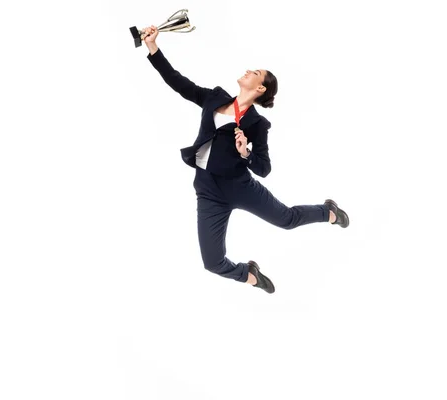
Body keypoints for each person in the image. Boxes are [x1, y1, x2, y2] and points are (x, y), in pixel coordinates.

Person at [141, 26, 349, 294]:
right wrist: (153, 48)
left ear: (260, 87)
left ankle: (328, 212)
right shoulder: (214, 98)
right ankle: (249, 274)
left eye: (256, 73)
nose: (249, 71)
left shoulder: (257, 123)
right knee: (212, 263)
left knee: (286, 219)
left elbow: (264, 168)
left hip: (240, 187)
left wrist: (245, 153)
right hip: (207, 190)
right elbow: (176, 81)